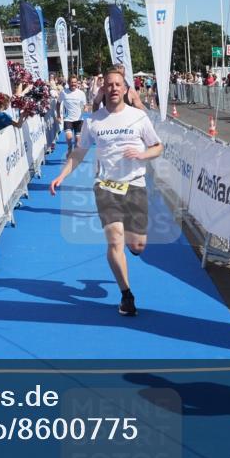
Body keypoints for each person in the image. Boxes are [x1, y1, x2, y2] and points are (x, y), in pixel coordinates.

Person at [49, 67, 163, 316]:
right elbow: (79, 152)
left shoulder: (138, 117)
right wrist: (61, 175)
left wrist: (143, 154)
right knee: (114, 242)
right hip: (106, 186)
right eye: (109, 84)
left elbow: (157, 147)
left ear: (125, 89)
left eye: (117, 84)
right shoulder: (93, 120)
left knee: (138, 246)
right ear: (103, 89)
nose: (113, 88)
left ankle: (124, 262)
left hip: (135, 184)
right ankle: (127, 296)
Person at [59, 75, 88, 157]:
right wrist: (58, 115)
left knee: (78, 143)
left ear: (77, 83)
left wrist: (85, 108)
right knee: (69, 137)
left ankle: (74, 153)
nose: (73, 84)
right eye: (72, 82)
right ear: (68, 83)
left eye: (75, 82)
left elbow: (85, 105)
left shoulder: (81, 93)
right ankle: (69, 148)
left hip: (79, 119)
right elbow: (58, 103)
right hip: (68, 118)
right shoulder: (64, 92)